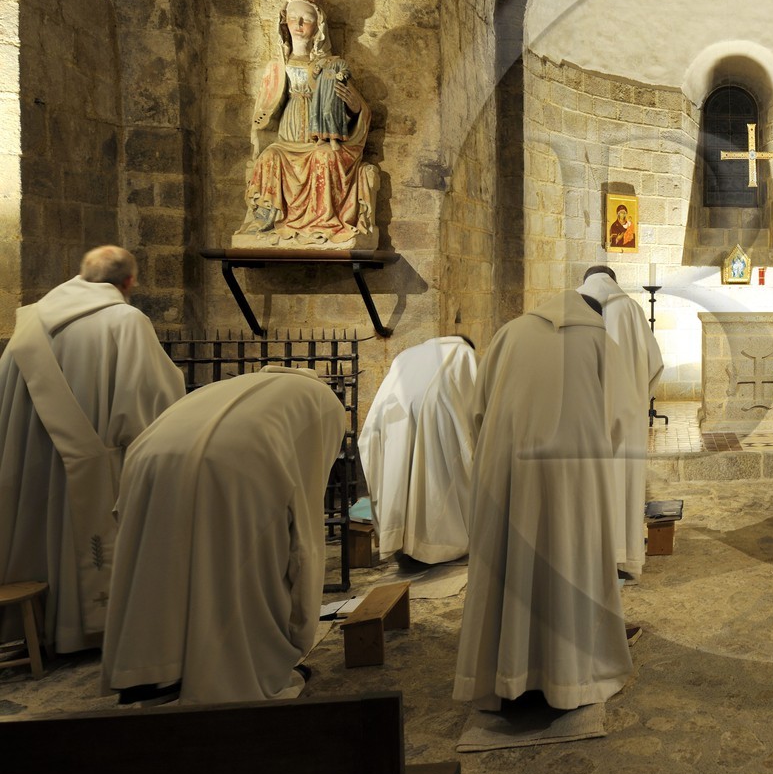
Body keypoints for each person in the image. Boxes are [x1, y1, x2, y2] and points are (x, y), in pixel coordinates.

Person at [101, 366, 344, 705]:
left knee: (157, 559)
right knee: (235, 574)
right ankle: (227, 674)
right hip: (236, 464)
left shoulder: (233, 385)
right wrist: (301, 626)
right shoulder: (324, 402)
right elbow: (304, 534)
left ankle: (154, 669)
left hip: (148, 458)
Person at [454, 287, 633, 711]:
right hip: (573, 477)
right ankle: (566, 678)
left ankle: (507, 672)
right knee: (569, 565)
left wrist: (498, 454)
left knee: (508, 565)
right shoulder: (600, 343)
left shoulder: (509, 334)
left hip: (507, 467)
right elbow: (620, 420)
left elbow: (476, 409)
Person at [0, 246, 184, 653]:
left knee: (41, 536)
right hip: (100, 464)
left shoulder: (31, 321)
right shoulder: (125, 320)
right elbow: (149, 403)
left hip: (32, 460)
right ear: (130, 282)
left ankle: (41, 631)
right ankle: (88, 631)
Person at [236, 0, 378, 248]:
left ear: (318, 26)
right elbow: (266, 108)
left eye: (306, 19)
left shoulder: (331, 64)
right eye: (293, 18)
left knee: (325, 157)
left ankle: (322, 223)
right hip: (288, 139)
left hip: (318, 138)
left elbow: (356, 109)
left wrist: (355, 105)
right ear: (284, 22)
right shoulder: (277, 66)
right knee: (269, 157)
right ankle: (267, 218)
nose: (299, 25)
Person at [357, 335, 478, 564]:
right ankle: (436, 544)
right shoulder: (464, 354)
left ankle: (401, 537)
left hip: (393, 414)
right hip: (438, 414)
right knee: (437, 479)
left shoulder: (406, 355)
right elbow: (478, 404)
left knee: (400, 470)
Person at [577, 265, 663, 577]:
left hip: (581, 416)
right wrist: (638, 399)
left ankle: (584, 556)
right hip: (625, 419)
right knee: (622, 481)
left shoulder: (569, 307)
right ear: (613, 280)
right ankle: (622, 556)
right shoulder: (631, 310)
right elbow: (655, 364)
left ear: (585, 280)